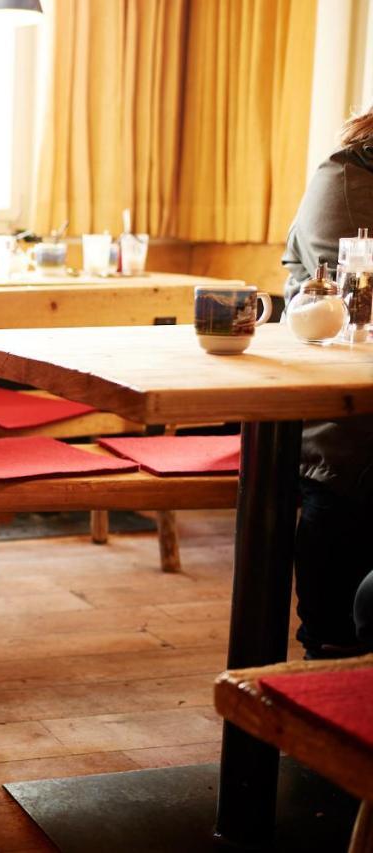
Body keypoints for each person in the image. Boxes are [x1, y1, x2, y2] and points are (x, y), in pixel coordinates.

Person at [281, 105, 373, 659]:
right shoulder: (348, 179)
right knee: (343, 466)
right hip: (341, 407)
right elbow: (350, 304)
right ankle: (330, 648)